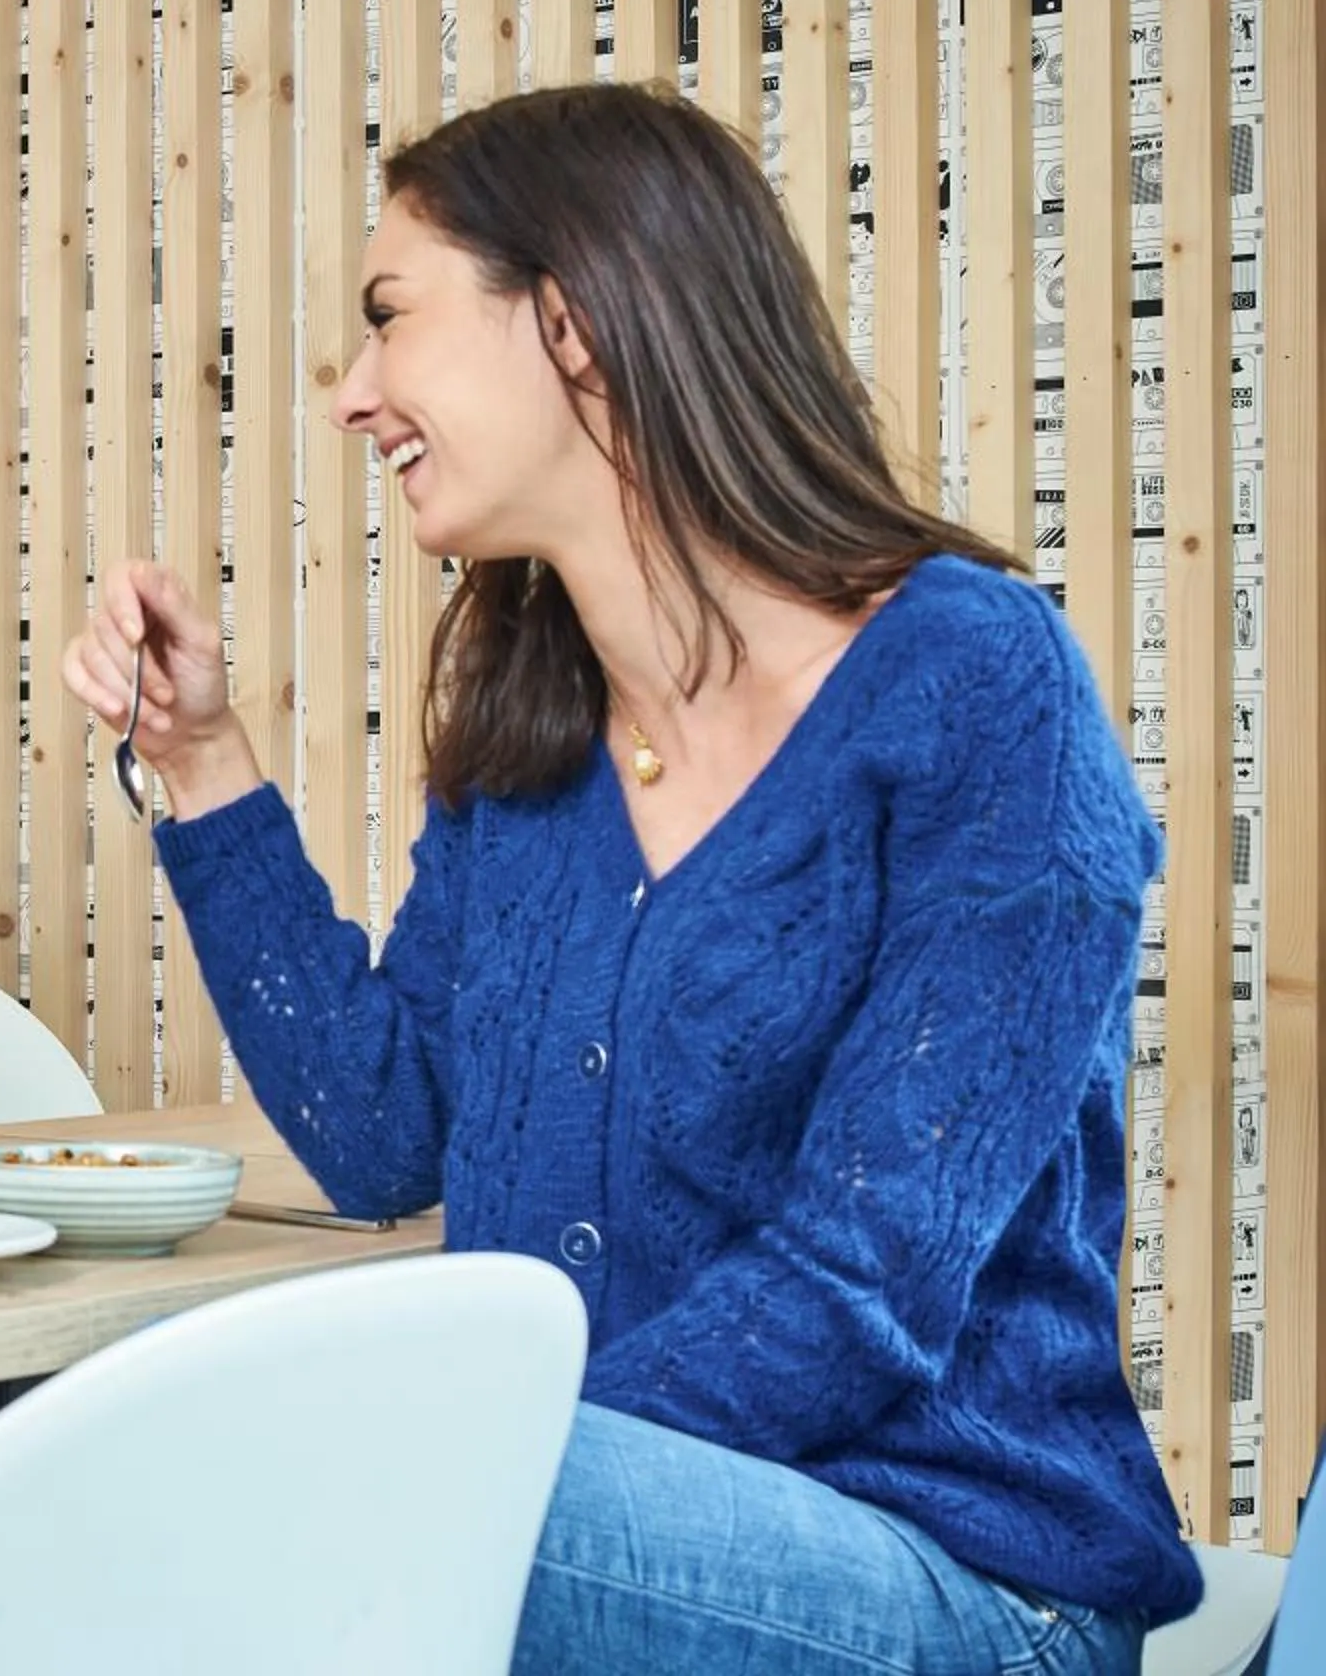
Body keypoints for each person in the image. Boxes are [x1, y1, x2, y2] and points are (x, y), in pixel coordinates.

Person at [60, 83, 1201, 1671]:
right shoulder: (537, 728)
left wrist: (467, 1460)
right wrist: (203, 767)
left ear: (576, 323)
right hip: (569, 1522)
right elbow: (384, 1134)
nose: (353, 396)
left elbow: (862, 1285)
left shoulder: (977, 689)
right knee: (157, 1471)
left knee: (290, 1495)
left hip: (960, 1577)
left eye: (390, 317)